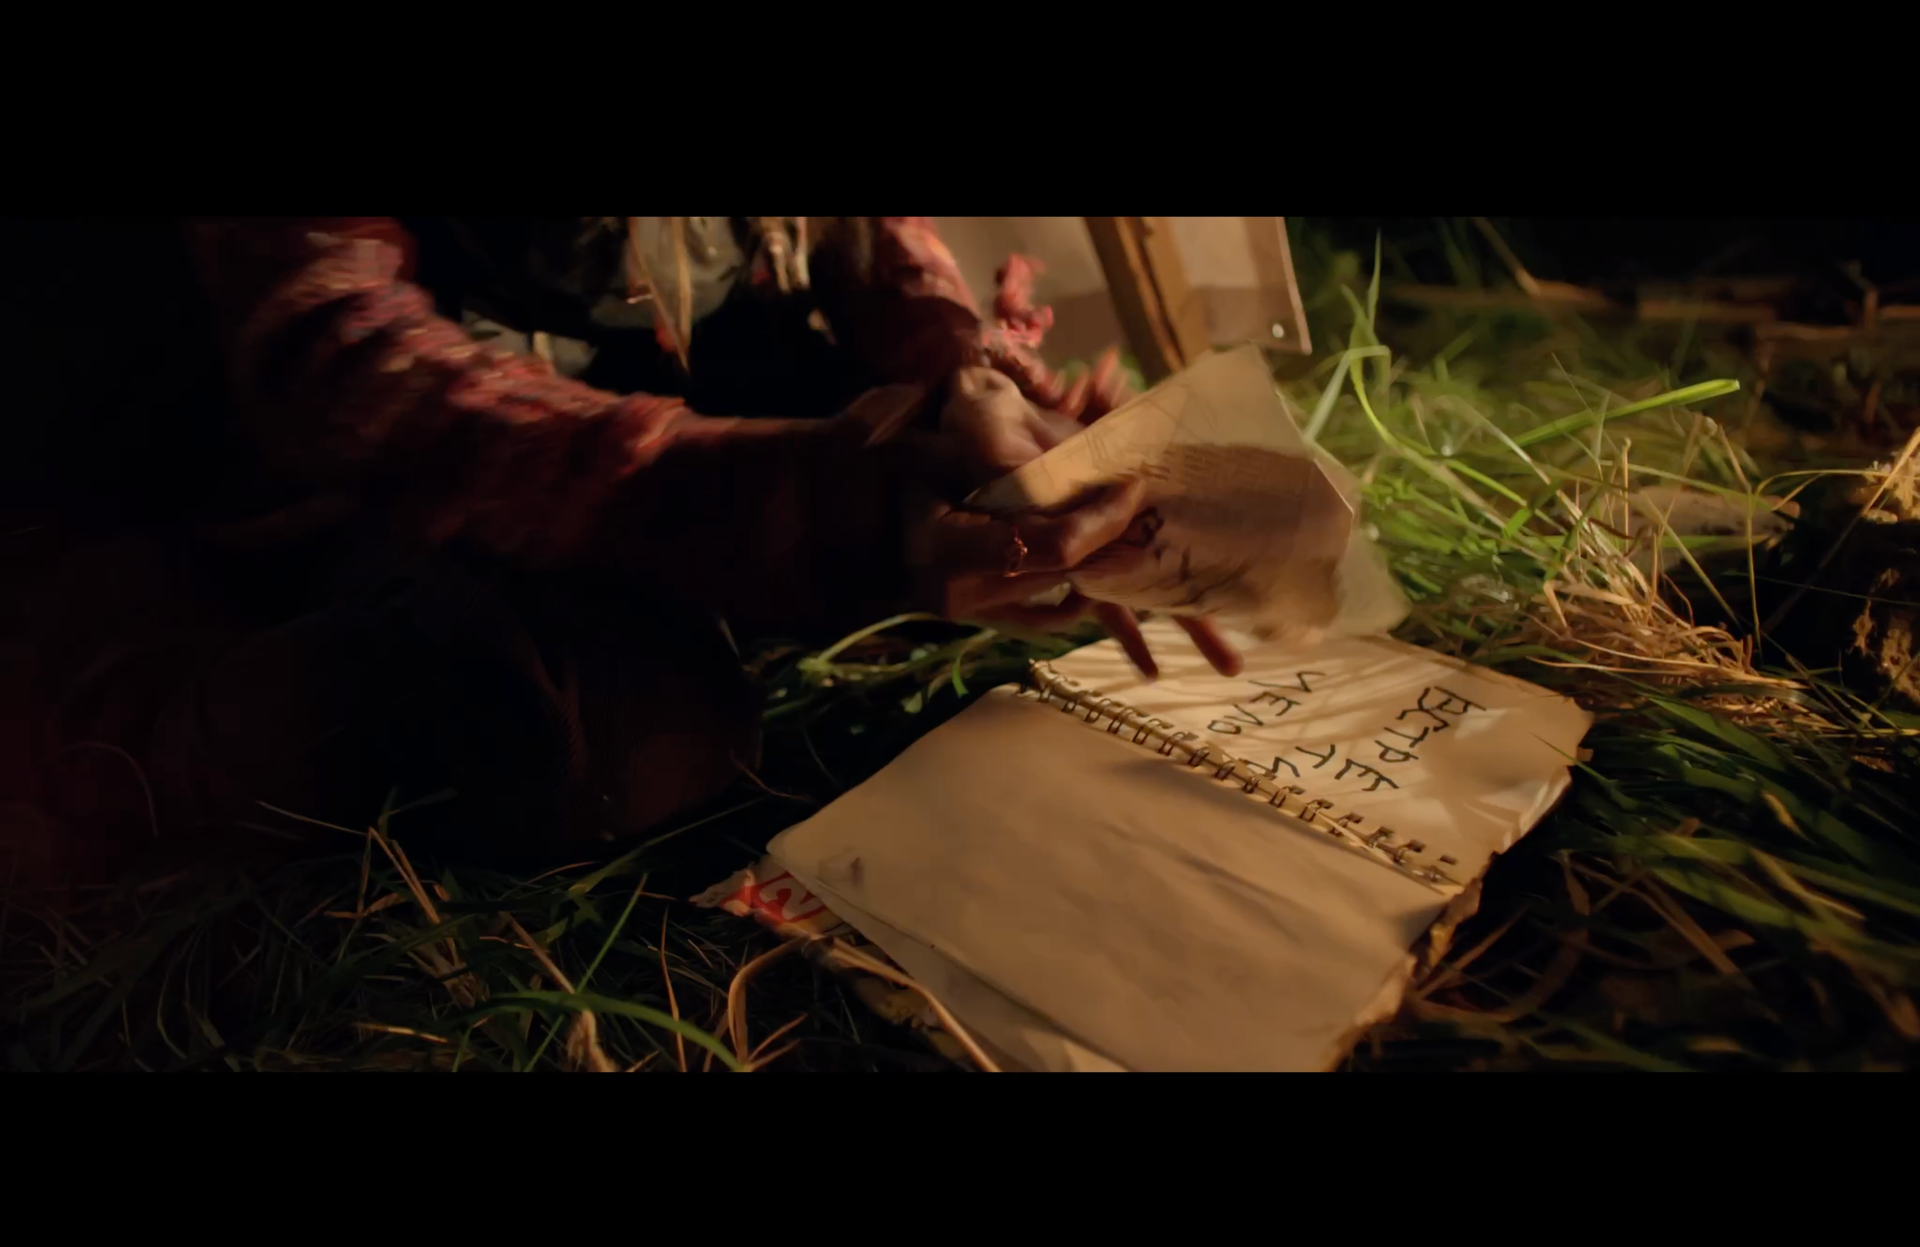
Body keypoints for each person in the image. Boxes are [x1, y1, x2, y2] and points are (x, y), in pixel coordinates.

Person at [1, 217, 1238, 872]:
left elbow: (860, 237)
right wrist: (827, 512)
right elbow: (343, 366)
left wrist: (958, 372)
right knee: (613, 736)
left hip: (587, 387)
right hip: (251, 499)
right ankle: (132, 748)